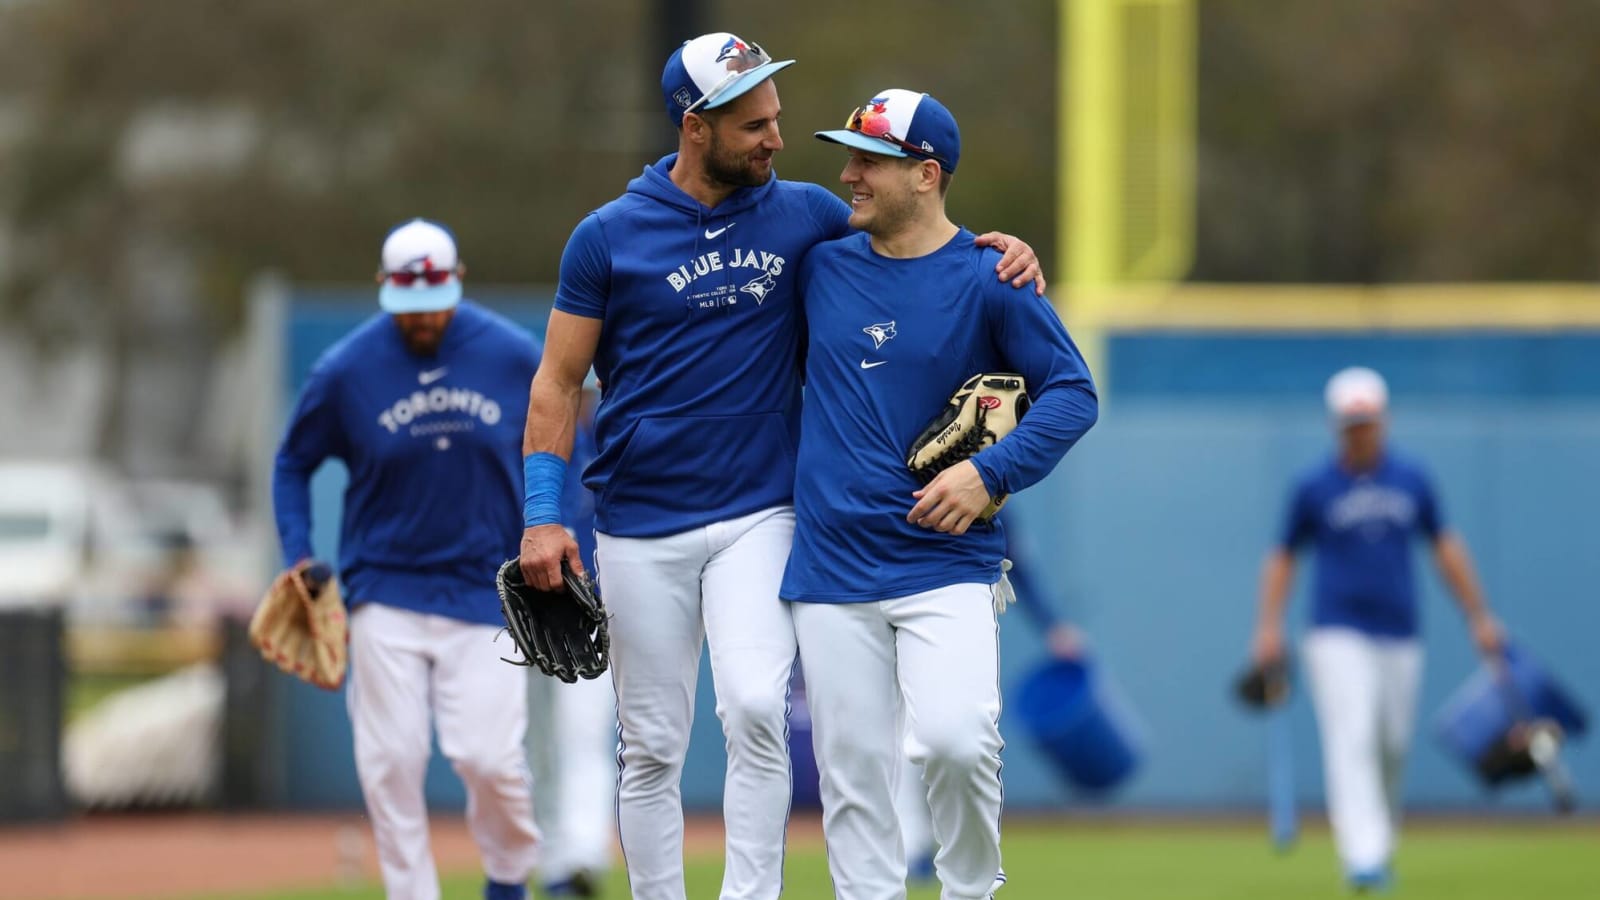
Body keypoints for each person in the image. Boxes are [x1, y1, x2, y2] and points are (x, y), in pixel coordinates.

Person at [515, 33, 1044, 900]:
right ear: (695, 127)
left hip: (762, 509)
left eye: (775, 117)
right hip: (638, 520)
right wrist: (543, 513)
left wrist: (1004, 251)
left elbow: (915, 223)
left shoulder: (802, 212)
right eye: (754, 124)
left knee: (758, 712)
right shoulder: (607, 237)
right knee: (649, 745)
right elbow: (559, 380)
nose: (774, 138)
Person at [783, 89, 1098, 900]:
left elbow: (1072, 393)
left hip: (945, 560)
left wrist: (990, 472)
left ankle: (968, 889)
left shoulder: (994, 276)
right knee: (852, 778)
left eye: (868, 162)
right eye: (848, 156)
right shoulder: (818, 262)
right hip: (831, 565)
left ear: (926, 175)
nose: (847, 175)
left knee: (958, 741)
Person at [273, 218, 542, 900]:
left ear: (458, 283)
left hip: (487, 588)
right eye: (408, 308)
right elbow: (293, 462)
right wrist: (299, 554)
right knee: (390, 763)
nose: (422, 321)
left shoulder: (513, 356)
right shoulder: (345, 371)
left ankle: (507, 879)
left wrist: (554, 525)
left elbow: (562, 439)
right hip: (384, 587)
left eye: (434, 306)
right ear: (382, 290)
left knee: (489, 760)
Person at [1247, 365, 1506, 892]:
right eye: (1351, 423)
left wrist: (1478, 614)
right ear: (1337, 427)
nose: (1360, 431)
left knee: (1392, 742)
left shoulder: (1411, 479)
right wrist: (1269, 625)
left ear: (1383, 421)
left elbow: (1445, 547)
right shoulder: (1314, 486)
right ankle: (1363, 856)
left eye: (1367, 422)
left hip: (1400, 631)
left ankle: (1378, 842)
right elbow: (1282, 557)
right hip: (1335, 630)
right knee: (1354, 735)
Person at [896, 519, 1084, 883]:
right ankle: (910, 848)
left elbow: (1017, 559)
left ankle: (954, 856)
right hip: (883, 606)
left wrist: (1052, 624)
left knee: (953, 740)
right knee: (900, 741)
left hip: (949, 614)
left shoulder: (980, 474)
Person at [527, 377, 617, 899]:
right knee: (537, 745)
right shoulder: (534, 445)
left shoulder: (615, 439)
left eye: (591, 390)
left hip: (589, 618)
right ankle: (552, 860)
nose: (585, 399)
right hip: (529, 615)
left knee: (584, 739)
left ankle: (582, 858)